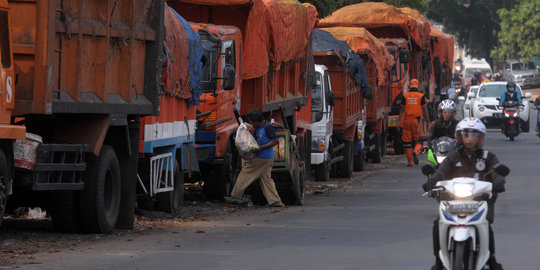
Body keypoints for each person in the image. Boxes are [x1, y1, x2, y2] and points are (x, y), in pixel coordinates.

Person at [423, 117, 506, 270]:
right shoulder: (453, 157)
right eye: (466, 135)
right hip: (454, 200)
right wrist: (432, 181)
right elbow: (441, 172)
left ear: (480, 138)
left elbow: (497, 171)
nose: (469, 140)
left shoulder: (488, 157)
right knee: (437, 223)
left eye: (474, 136)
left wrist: (499, 181)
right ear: (459, 137)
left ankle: (492, 259)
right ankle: (438, 261)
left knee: (486, 224)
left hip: (481, 201)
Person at [225, 109, 284, 207]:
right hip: (267, 158)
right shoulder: (257, 127)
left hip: (262, 157)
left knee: (245, 174)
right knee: (266, 179)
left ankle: (236, 196)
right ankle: (276, 201)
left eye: (251, 122)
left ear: (256, 121)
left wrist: (262, 147)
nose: (250, 123)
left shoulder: (268, 127)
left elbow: (275, 141)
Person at [399, 78, 430, 166]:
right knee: (419, 140)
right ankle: (416, 152)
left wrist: (399, 123)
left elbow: (401, 110)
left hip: (407, 121)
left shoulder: (405, 96)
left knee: (407, 141)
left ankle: (410, 162)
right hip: (417, 122)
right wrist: (428, 122)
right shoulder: (421, 96)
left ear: (409, 86)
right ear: (417, 86)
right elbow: (425, 110)